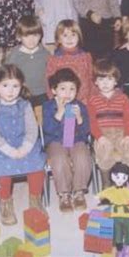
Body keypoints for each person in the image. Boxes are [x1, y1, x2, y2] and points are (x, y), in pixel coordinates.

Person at [0, 65, 46, 225]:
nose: (10, 91)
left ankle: (35, 199)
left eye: (15, 86)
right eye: (5, 85)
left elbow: (32, 129)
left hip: (23, 141)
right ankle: (5, 202)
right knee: (1, 164)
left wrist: (25, 147)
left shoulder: (25, 105)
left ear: (21, 86)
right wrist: (9, 150)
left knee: (36, 161)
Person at [43, 68, 91, 212]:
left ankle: (79, 191)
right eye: (63, 89)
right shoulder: (48, 106)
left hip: (75, 139)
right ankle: (64, 194)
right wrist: (59, 113)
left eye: (72, 89)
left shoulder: (79, 106)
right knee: (59, 159)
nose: (68, 93)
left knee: (82, 156)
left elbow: (86, 132)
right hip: (55, 141)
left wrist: (80, 119)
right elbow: (48, 130)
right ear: (54, 90)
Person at [87, 59, 129, 189]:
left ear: (115, 81)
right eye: (101, 79)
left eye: (109, 79)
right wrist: (100, 137)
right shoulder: (92, 100)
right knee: (104, 155)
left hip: (121, 133)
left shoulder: (123, 98)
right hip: (103, 134)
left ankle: (127, 179)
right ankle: (106, 183)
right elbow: (92, 122)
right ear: (96, 82)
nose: (105, 83)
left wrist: (128, 136)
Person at [6, 16, 50, 123]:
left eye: (35, 35)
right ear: (19, 37)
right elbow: (8, 75)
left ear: (40, 36)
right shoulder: (15, 54)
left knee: (43, 120)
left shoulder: (45, 53)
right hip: (23, 94)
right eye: (26, 36)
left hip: (42, 93)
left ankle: (42, 137)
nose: (31, 40)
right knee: (25, 120)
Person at [97, 162, 129, 257]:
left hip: (127, 214)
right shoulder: (112, 189)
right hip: (115, 214)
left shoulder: (126, 190)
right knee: (117, 229)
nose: (120, 180)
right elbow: (105, 192)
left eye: (123, 178)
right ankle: (118, 245)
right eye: (117, 177)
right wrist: (99, 196)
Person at [45, 19, 93, 104]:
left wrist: (91, 98)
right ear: (59, 39)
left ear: (79, 37)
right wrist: (53, 100)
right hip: (62, 101)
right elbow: (49, 81)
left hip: (83, 101)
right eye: (65, 35)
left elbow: (91, 78)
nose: (69, 38)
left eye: (73, 35)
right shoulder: (54, 59)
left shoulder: (85, 57)